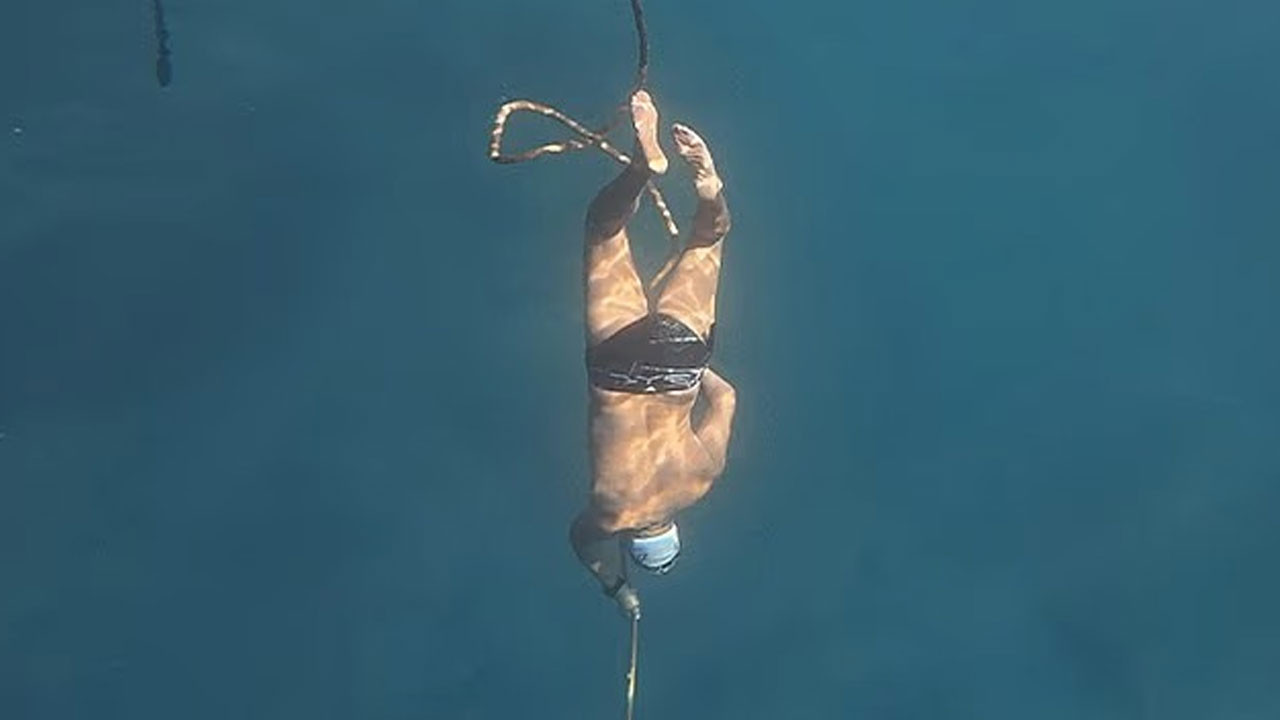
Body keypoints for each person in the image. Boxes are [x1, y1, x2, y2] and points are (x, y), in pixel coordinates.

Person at [570, 90, 737, 619]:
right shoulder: (609, 514)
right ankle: (641, 169)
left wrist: (694, 369)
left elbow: (727, 398)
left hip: (680, 365)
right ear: (634, 538)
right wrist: (618, 590)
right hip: (615, 370)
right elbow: (582, 544)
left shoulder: (701, 479)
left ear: (674, 529)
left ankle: (709, 190)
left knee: (707, 241)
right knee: (603, 230)